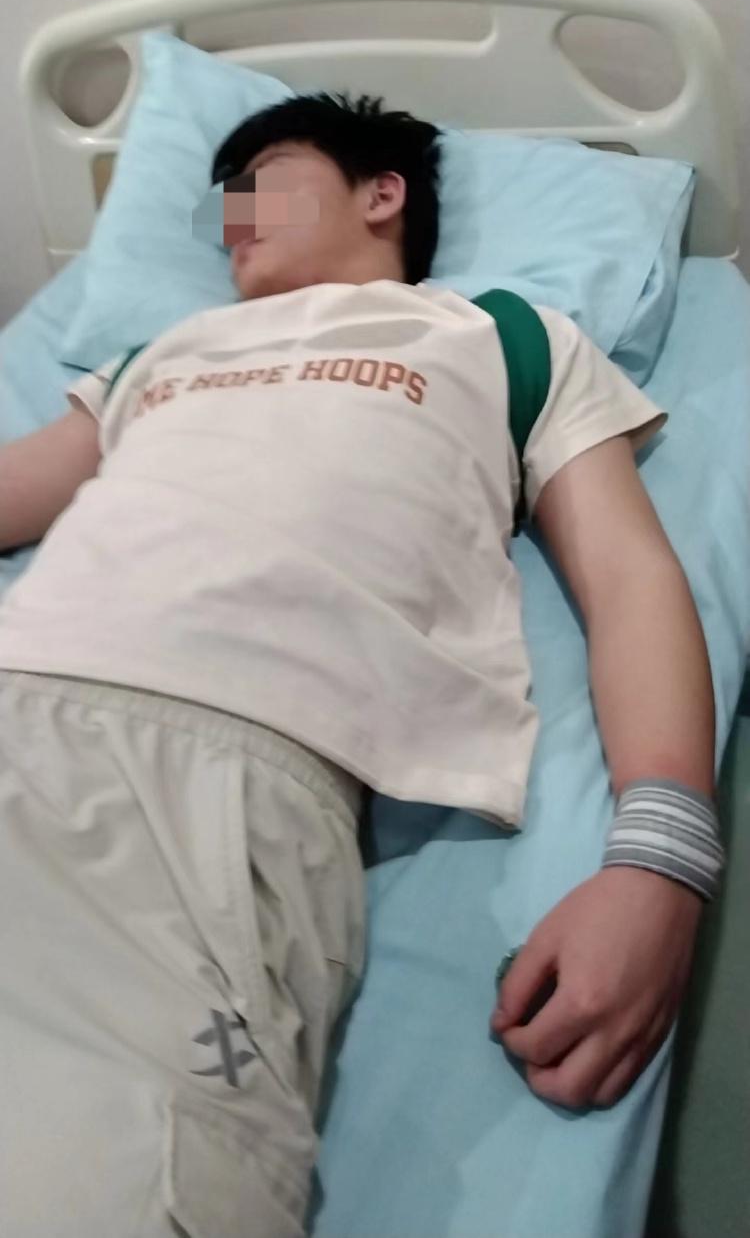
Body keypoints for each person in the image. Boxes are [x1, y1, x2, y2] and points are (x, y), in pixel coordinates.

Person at [0, 93, 720, 1238]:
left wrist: (661, 859)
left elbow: (630, 577)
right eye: (222, 199)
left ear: (383, 195)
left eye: (263, 181)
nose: (232, 217)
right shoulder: (160, 354)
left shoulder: (497, 336)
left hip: (210, 773)